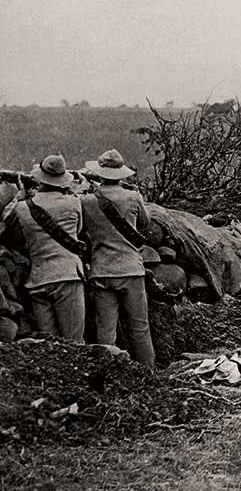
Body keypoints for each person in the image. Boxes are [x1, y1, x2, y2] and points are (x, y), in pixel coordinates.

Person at [79, 149, 155, 368]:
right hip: (130, 269)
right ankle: (149, 375)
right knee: (139, 328)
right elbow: (144, 224)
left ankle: (109, 375)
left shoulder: (86, 201)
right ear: (121, 174)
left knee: (106, 331)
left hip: (101, 270)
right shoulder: (133, 197)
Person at [0, 155, 85, 341]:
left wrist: (19, 196)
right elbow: (77, 232)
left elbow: (5, 220)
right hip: (68, 276)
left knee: (48, 345)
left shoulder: (22, 208)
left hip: (38, 279)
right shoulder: (74, 202)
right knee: (75, 342)